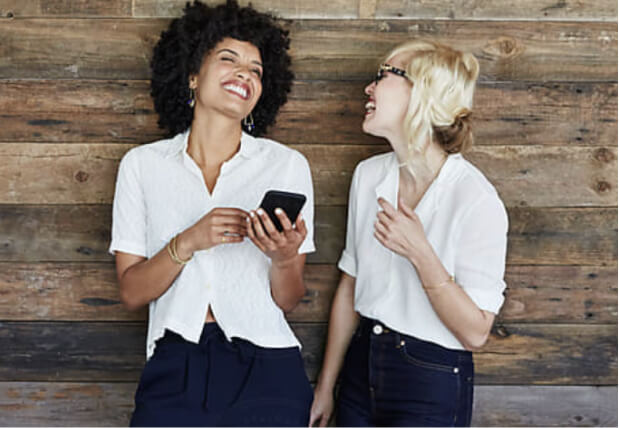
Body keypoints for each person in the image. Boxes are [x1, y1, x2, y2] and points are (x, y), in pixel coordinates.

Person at [109, 1, 315, 426]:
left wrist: (283, 258)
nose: (244, 74)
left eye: (256, 70)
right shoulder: (142, 166)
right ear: (192, 74)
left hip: (268, 368)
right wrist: (188, 242)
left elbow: (289, 299)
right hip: (175, 364)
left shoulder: (287, 166)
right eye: (228, 59)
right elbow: (132, 292)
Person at [309, 40, 509, 427]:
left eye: (384, 76)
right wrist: (326, 386)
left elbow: (475, 332)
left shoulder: (475, 199)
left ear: (424, 93)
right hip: (360, 368)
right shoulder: (368, 176)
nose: (369, 88)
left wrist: (421, 254)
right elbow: (351, 286)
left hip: (431, 379)